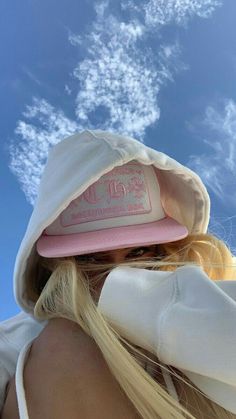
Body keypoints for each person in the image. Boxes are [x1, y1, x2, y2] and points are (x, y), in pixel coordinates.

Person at [1, 129, 236, 419]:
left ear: (165, 249)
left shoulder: (206, 301)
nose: (117, 274)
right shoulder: (27, 343)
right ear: (57, 267)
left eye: (138, 252)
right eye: (91, 259)